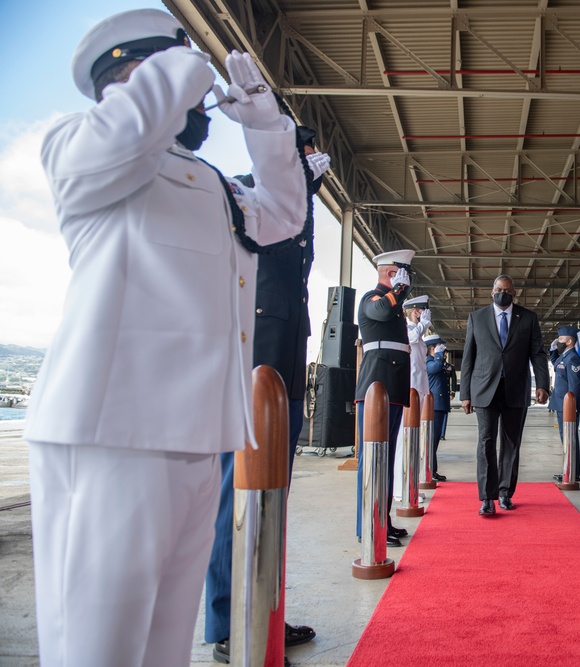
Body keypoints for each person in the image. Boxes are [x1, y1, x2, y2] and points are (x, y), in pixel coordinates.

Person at [24, 9, 306, 665]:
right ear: (134, 77)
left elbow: (286, 212)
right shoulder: (82, 153)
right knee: (99, 648)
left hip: (198, 439)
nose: (201, 97)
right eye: (184, 77)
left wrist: (263, 123)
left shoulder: (210, 184)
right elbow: (126, 131)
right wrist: (182, 63)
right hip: (112, 437)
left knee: (160, 648)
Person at [204, 122, 326, 662]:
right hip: (252, 365)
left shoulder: (301, 210)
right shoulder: (242, 194)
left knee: (272, 497)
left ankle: (265, 610)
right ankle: (230, 622)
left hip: (287, 362)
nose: (314, 161)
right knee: (239, 496)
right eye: (304, 153)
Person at [460, 275, 550, 515]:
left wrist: (543, 384)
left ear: (515, 293)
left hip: (516, 389)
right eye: (499, 289)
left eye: (508, 290)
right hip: (483, 390)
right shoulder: (476, 318)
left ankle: (504, 493)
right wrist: (464, 393)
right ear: (492, 292)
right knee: (486, 442)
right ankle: (487, 498)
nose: (503, 293)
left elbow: (538, 354)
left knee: (511, 443)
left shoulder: (528, 318)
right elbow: (468, 358)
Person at [355, 249, 415, 547]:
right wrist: (400, 290)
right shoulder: (372, 298)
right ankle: (366, 523)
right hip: (376, 386)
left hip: (392, 387)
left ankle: (383, 519)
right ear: (391, 273)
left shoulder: (392, 304)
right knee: (373, 461)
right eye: (401, 273)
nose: (405, 280)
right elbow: (380, 312)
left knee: (386, 459)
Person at [392, 295, 432, 500]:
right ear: (410, 311)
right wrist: (423, 325)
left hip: (418, 393)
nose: (421, 315)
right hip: (408, 393)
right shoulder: (405, 329)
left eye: (423, 311)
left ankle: (410, 484)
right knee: (403, 441)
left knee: (413, 442)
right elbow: (411, 339)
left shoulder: (418, 332)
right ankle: (400, 488)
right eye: (418, 311)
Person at [550, 325, 580, 483]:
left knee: (570, 438)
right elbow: (555, 364)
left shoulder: (573, 358)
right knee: (565, 438)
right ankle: (568, 469)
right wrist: (552, 350)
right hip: (560, 403)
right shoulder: (564, 356)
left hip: (567, 405)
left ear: (570, 341)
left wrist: (572, 405)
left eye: (561, 339)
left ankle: (572, 472)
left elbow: (574, 385)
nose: (558, 342)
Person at [424, 334, 451, 481]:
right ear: (432, 348)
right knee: (432, 440)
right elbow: (435, 368)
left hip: (440, 405)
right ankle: (430, 471)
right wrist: (439, 355)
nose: (443, 350)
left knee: (435, 440)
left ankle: (432, 470)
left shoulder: (436, 361)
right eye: (439, 347)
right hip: (434, 405)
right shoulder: (429, 361)